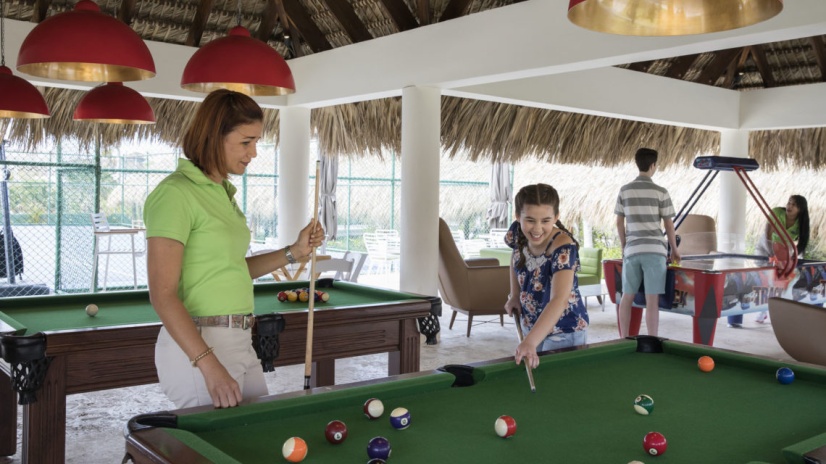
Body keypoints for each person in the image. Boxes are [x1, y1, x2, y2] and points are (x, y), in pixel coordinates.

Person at [143, 89, 323, 409]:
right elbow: (162, 295)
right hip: (201, 346)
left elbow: (233, 268)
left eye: (256, 142)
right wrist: (209, 366)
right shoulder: (175, 193)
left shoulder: (222, 192)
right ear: (215, 136)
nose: (253, 152)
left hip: (239, 340)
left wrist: (294, 251)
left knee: (258, 434)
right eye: (246, 142)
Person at [503, 183, 589, 369]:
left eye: (545, 221)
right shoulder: (517, 231)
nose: (537, 229)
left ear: (556, 217)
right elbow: (515, 256)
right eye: (530, 220)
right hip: (530, 325)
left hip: (564, 331)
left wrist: (530, 342)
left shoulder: (564, 246)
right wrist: (515, 294)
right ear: (517, 216)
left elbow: (559, 300)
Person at [615, 148, 680, 338]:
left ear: (637, 164)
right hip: (655, 250)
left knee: (627, 297)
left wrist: (624, 246)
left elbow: (619, 222)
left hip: (632, 250)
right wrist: (674, 249)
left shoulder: (625, 190)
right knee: (652, 301)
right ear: (653, 165)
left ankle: (624, 338)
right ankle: (652, 338)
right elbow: (668, 224)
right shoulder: (661, 192)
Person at [734, 194, 810, 326]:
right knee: (766, 278)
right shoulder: (777, 212)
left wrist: (791, 257)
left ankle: (770, 310)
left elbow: (801, 242)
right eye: (789, 202)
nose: (789, 206)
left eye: (794, 205)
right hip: (767, 245)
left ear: (800, 209)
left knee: (781, 281)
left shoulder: (801, 223)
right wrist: (771, 255)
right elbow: (768, 233)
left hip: (785, 249)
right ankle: (762, 309)